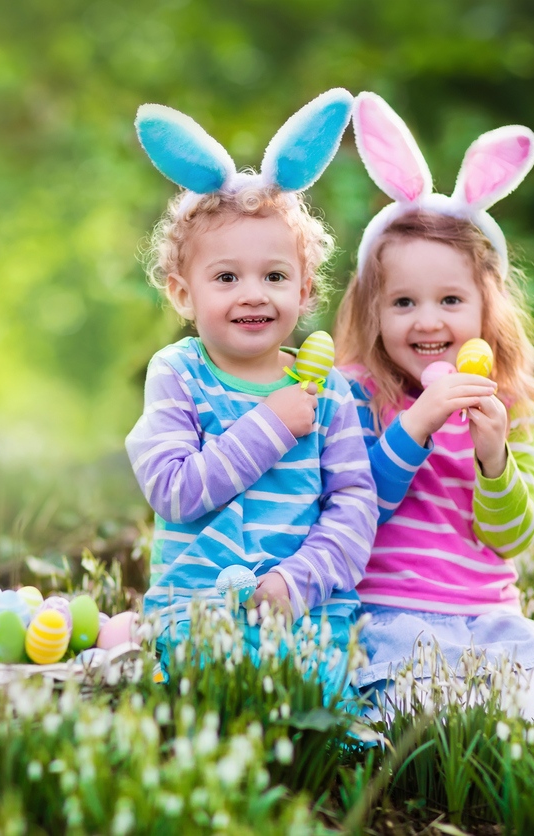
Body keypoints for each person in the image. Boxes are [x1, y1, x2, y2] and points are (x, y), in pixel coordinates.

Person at [125, 89, 377, 699]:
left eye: (274, 276)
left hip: (305, 613)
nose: (253, 294)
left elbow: (354, 507)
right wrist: (269, 425)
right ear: (184, 294)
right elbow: (174, 490)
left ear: (306, 288)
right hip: (195, 612)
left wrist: (297, 584)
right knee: (205, 708)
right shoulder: (178, 373)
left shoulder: (329, 391)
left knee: (319, 719)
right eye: (226, 277)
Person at [333, 92, 534, 718]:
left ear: (487, 308)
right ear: (372, 313)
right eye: (403, 303)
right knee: (420, 710)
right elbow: (352, 513)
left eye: (450, 301)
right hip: (390, 613)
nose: (428, 321)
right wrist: (416, 424)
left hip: (488, 615)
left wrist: (494, 459)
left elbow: (509, 538)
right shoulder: (356, 392)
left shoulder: (510, 404)